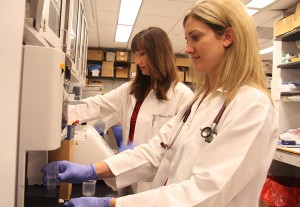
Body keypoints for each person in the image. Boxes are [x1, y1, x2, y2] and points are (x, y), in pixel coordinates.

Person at [42, 0, 278, 206]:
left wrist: (110, 204)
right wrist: (91, 170)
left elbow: (206, 192)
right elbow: (156, 151)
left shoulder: (252, 105)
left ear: (227, 36)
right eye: (187, 39)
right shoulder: (200, 102)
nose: (187, 49)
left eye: (195, 37)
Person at [67, 26, 194, 193]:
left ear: (159, 54)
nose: (137, 60)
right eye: (136, 54)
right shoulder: (130, 90)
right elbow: (98, 104)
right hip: (127, 174)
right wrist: (61, 113)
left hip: (157, 183)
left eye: (143, 53)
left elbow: (178, 151)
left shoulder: (182, 96)